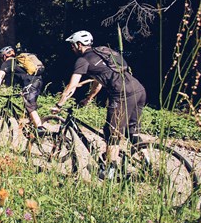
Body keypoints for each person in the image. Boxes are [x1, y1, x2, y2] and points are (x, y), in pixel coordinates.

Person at [52, 30, 147, 178]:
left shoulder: (82, 60)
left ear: (79, 44)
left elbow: (72, 86)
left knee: (111, 133)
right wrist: (89, 98)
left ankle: (110, 170)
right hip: (138, 89)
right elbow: (99, 81)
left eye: (72, 45)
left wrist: (59, 105)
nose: (72, 48)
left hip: (122, 94)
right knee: (131, 132)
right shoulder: (102, 52)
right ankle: (148, 163)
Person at [0, 45, 47, 136]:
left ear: (4, 56)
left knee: (29, 105)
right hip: (38, 80)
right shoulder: (18, 62)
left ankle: (40, 128)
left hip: (31, 83)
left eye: (1, 58)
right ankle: (32, 129)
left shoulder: (8, 63)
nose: (2, 60)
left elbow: (0, 77)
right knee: (26, 106)